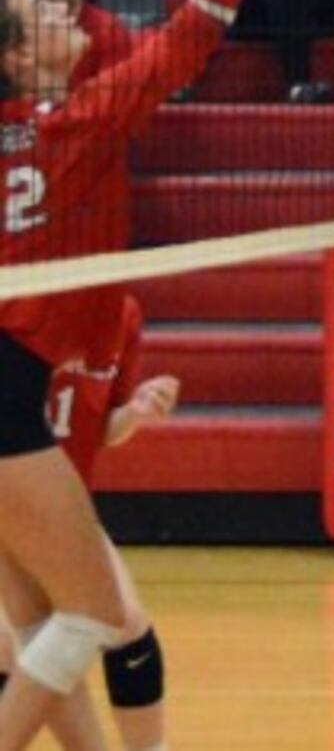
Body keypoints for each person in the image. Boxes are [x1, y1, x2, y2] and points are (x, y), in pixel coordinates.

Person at [0, 0, 271, 750]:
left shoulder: (36, 122)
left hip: (24, 379)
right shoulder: (80, 121)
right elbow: (201, 22)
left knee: (43, 622)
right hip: (13, 381)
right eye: (45, 18)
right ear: (18, 58)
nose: (65, 16)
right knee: (86, 615)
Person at [0, 297, 178, 751]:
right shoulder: (22, 306)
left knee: (121, 624)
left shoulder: (120, 313)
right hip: (17, 487)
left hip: (58, 503)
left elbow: (98, 427)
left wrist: (137, 411)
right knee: (32, 636)